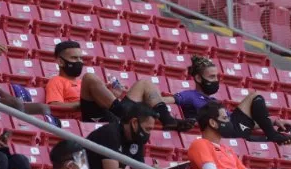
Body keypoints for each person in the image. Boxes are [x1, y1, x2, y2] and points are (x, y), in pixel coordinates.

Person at [45, 41, 194, 131]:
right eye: (74, 58)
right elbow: (55, 107)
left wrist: (112, 95)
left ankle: (167, 119)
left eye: (80, 58)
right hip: (89, 116)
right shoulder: (56, 81)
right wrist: (83, 103)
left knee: (145, 83)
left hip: (111, 111)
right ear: (60, 61)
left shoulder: (79, 82)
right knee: (89, 77)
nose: (79, 61)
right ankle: (126, 113)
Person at [170, 56, 291, 145]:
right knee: (254, 96)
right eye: (212, 77)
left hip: (236, 132)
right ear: (198, 78)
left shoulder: (213, 100)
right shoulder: (190, 95)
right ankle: (273, 135)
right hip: (223, 132)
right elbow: (166, 100)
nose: (215, 80)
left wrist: (274, 122)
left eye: (216, 77)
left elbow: (243, 122)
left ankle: (273, 135)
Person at [187, 101, 263, 169]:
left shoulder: (227, 149)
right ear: (213, 123)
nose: (228, 122)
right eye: (224, 118)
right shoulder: (200, 144)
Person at [84, 102, 158, 169]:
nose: (148, 134)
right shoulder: (110, 133)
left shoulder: (137, 139)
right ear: (134, 123)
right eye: (147, 129)